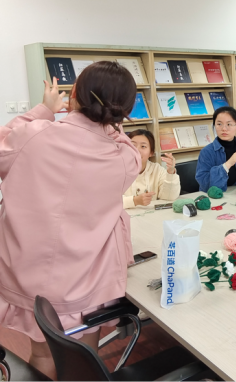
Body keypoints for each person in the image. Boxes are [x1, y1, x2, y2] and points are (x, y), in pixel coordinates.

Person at [0, 62, 140, 380]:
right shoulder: (122, 158)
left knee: (42, 355)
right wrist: (111, 124)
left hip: (28, 273)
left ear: (75, 93)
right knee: (82, 358)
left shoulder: (33, 136)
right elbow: (131, 149)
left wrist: (44, 110)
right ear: (124, 111)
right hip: (85, 281)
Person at [123, 129, 180, 208]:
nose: (137, 150)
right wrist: (135, 201)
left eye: (143, 146)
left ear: (151, 153)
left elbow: (170, 197)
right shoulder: (115, 170)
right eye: (133, 145)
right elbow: (109, 201)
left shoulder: (157, 169)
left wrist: (171, 173)